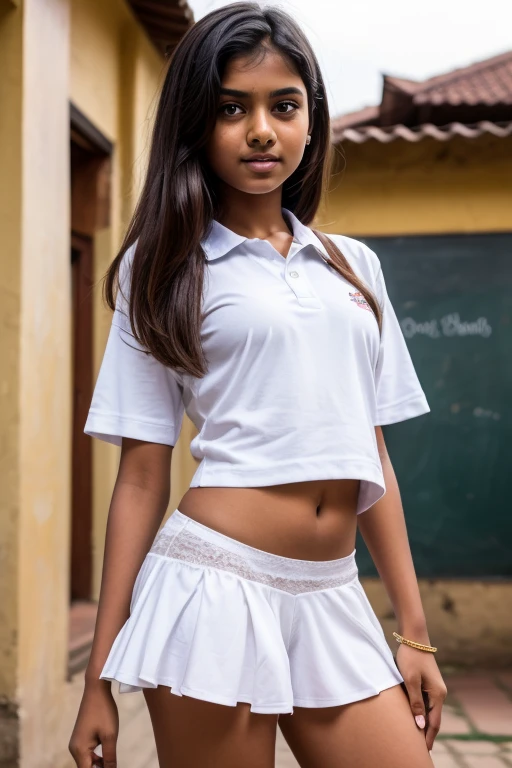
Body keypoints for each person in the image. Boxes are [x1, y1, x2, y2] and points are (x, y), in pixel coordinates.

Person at [68, 3, 447, 767]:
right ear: (197, 127)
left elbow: (371, 453)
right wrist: (100, 678)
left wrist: (413, 632)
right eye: (231, 108)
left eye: (284, 105)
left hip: (334, 594)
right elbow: (142, 477)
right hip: (214, 585)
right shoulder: (164, 267)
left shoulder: (353, 268)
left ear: (312, 118)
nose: (261, 130)